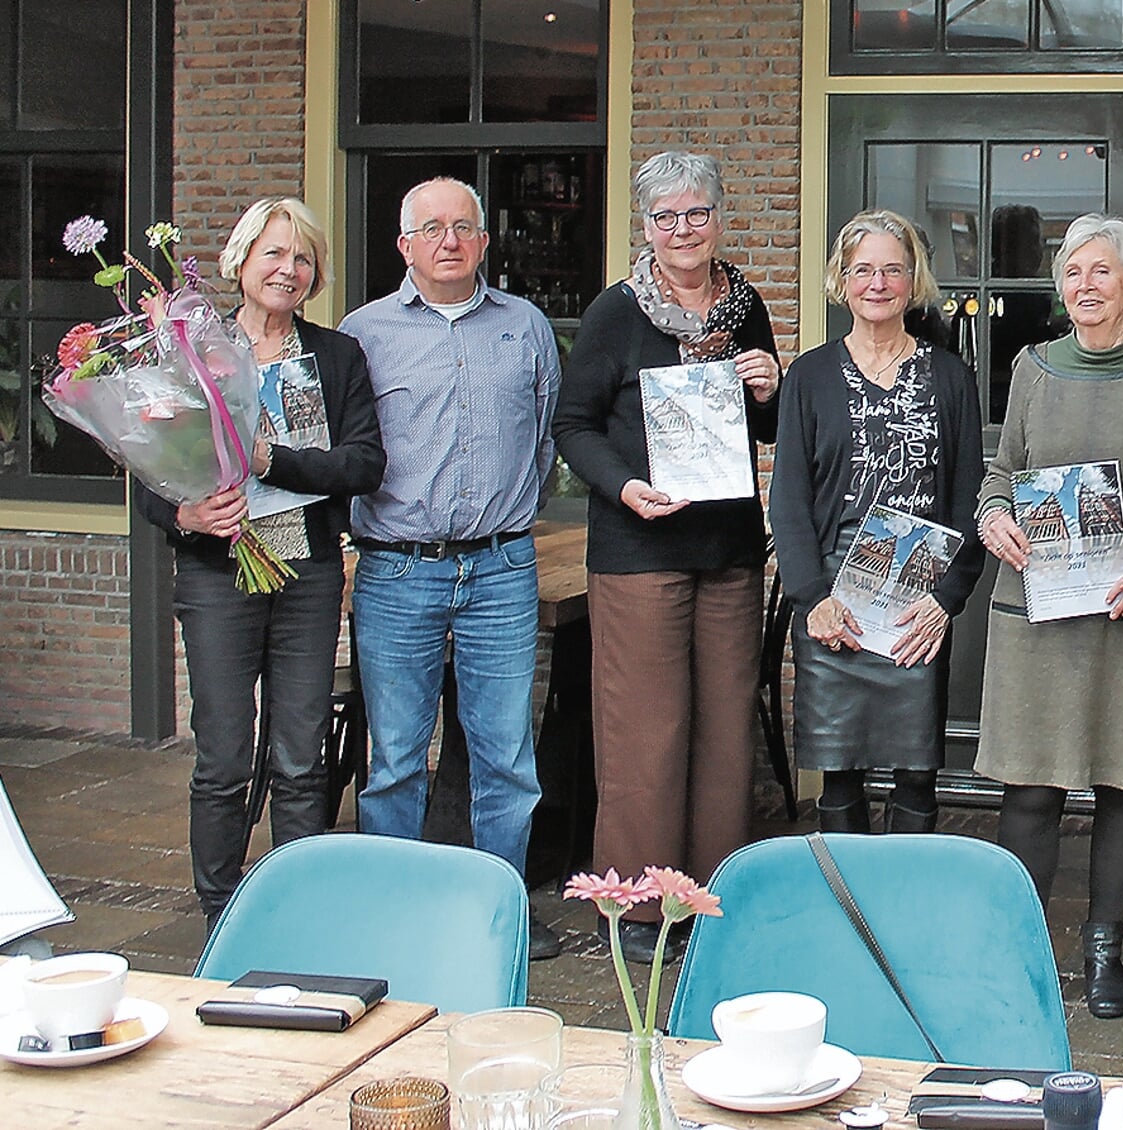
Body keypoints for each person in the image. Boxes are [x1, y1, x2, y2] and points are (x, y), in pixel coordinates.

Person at [553, 152, 781, 963]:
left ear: (720, 218)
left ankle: (711, 894)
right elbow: (573, 425)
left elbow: (770, 431)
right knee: (646, 732)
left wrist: (768, 389)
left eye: (697, 214)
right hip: (639, 548)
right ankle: (643, 911)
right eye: (665, 217)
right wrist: (623, 487)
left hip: (726, 548)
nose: (683, 230)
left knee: (724, 730)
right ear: (644, 226)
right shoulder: (616, 313)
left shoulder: (746, 304)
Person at [975, 214, 1123, 1021]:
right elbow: (1002, 470)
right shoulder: (1033, 367)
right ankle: (1023, 950)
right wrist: (995, 515)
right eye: (1074, 272)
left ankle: (1104, 949)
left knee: (1122, 787)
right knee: (1031, 793)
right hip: (1039, 614)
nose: (1085, 286)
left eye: (1103, 272)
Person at [134, 197, 385, 927]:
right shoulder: (192, 355)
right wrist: (184, 514)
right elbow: (148, 475)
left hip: (306, 571)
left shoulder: (334, 357)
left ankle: (298, 906)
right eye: (274, 253)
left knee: (301, 752)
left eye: (303, 257)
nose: (289, 269)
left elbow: (364, 464)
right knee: (224, 753)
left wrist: (275, 459)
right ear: (240, 262)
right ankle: (221, 909)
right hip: (218, 573)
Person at [339, 177, 564, 958]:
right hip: (397, 571)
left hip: (501, 569)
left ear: (484, 241)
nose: (448, 242)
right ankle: (390, 914)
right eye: (430, 229)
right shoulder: (361, 334)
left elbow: (544, 444)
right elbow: (343, 449)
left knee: (507, 756)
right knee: (398, 757)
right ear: (404, 245)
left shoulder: (526, 327)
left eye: (462, 227)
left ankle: (497, 916)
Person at [768, 210, 985, 834]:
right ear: (842, 279)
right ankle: (849, 910)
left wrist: (947, 599)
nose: (878, 283)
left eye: (893, 268)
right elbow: (787, 499)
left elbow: (971, 497)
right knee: (840, 766)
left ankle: (905, 907)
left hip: (919, 593)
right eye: (863, 269)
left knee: (917, 768)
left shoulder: (950, 376)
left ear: (913, 279)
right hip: (834, 593)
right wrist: (812, 598)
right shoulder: (808, 376)